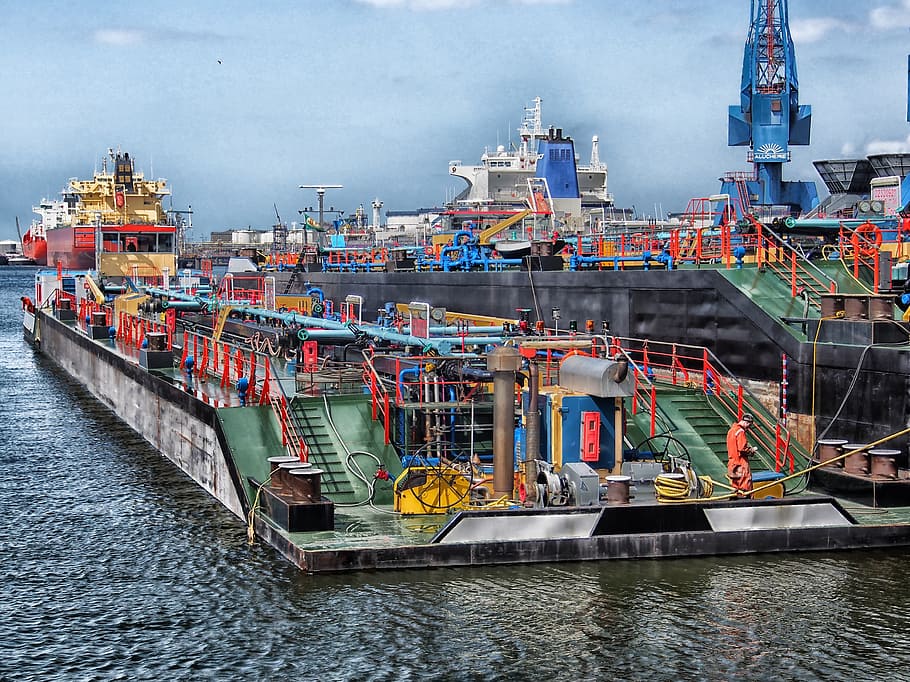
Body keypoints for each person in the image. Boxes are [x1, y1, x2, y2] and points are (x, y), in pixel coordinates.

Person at [726, 413, 756, 497]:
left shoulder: (731, 430)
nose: (748, 428)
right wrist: (751, 451)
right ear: (747, 423)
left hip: (732, 462)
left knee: (735, 487)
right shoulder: (740, 431)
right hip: (740, 463)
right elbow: (742, 448)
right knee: (744, 487)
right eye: (749, 426)